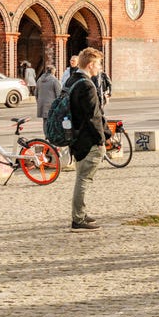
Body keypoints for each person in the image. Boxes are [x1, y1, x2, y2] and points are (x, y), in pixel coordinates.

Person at [68, 48, 112, 230]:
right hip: (87, 140)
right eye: (99, 64)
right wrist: (102, 139)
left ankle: (81, 212)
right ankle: (78, 219)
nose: (100, 68)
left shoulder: (72, 80)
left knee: (81, 176)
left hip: (75, 138)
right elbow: (94, 116)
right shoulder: (87, 85)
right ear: (91, 64)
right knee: (84, 179)